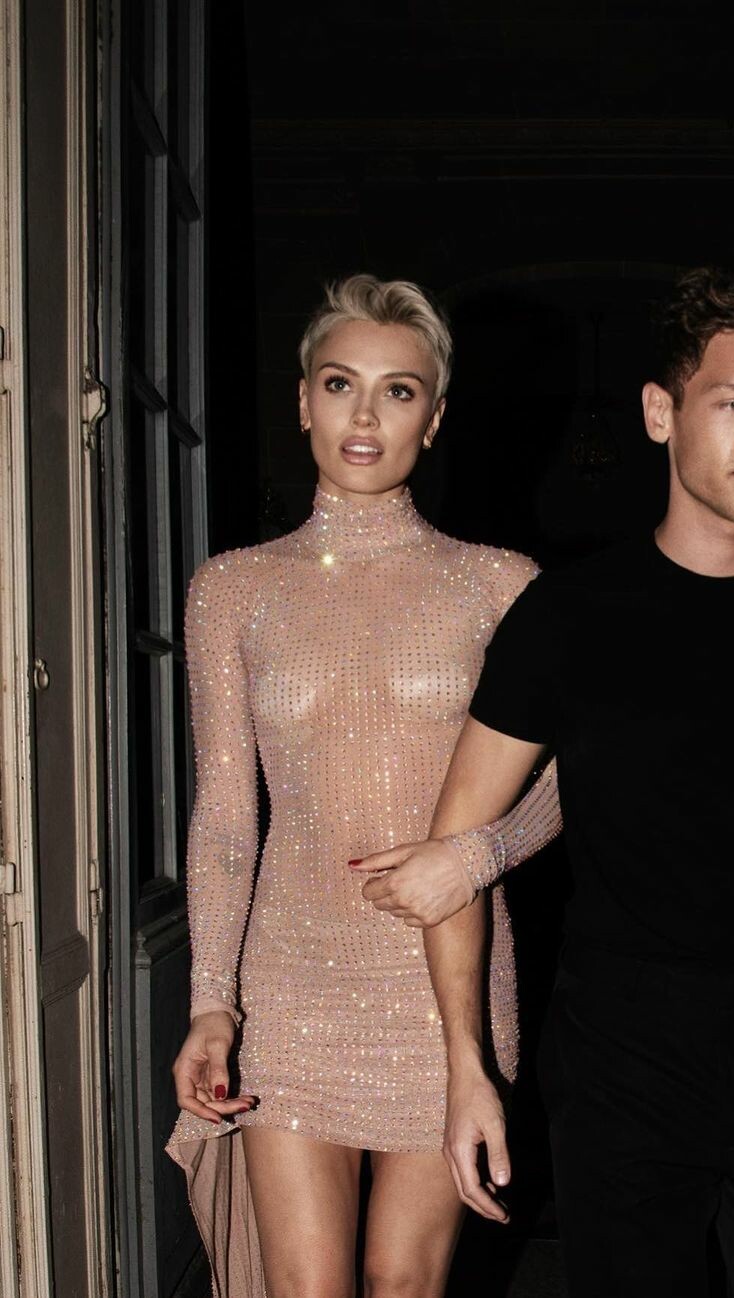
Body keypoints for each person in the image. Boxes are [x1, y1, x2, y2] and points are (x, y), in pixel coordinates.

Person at [355, 265, 734, 1297]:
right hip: (620, 1068)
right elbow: (456, 838)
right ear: (661, 413)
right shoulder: (568, 616)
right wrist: (467, 1066)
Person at [166, 274, 561, 1298]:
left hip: (446, 988)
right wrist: (212, 1003)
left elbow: (570, 779)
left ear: (435, 417)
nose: (366, 416)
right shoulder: (232, 589)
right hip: (290, 985)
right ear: (304, 400)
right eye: (341, 384)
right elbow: (225, 817)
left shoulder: (501, 585)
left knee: (402, 1284)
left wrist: (475, 854)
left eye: (400, 391)